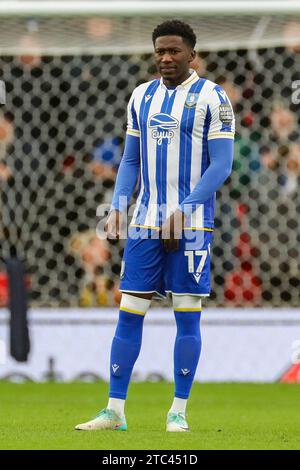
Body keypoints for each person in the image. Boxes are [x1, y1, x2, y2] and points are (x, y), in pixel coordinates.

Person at [76, 20, 235, 433]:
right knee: (129, 313)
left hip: (193, 224)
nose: (166, 58)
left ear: (191, 55)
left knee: (187, 316)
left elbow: (221, 165)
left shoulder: (213, 99)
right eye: (160, 51)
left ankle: (178, 411)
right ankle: (114, 410)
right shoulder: (140, 96)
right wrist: (117, 205)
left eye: (174, 51)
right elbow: (130, 160)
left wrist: (185, 208)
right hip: (145, 222)